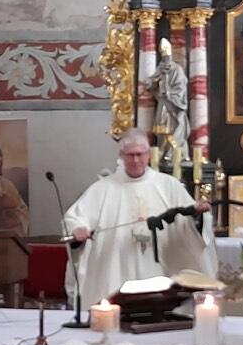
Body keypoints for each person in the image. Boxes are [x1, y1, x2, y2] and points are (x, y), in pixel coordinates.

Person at [64, 128, 218, 308]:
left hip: (160, 267)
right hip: (117, 269)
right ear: (121, 156)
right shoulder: (102, 189)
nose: (136, 160)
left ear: (149, 155)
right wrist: (78, 229)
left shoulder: (169, 185)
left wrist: (198, 216)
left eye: (140, 154)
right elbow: (75, 218)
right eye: (130, 155)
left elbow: (190, 224)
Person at [146, 38, 191, 160]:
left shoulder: (177, 69)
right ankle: (163, 152)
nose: (165, 57)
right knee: (161, 129)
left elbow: (181, 87)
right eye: (163, 54)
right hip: (163, 104)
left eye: (167, 54)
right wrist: (157, 79)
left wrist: (169, 94)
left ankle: (173, 153)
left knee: (177, 127)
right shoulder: (160, 69)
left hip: (174, 105)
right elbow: (149, 84)